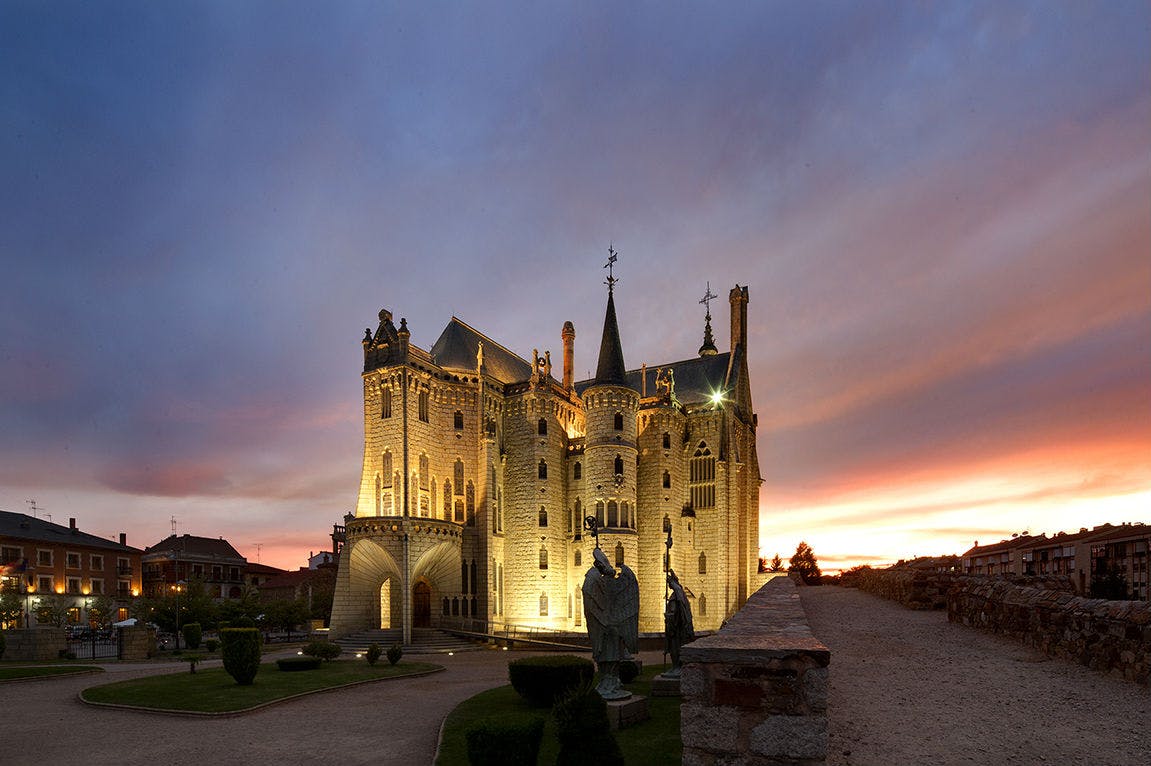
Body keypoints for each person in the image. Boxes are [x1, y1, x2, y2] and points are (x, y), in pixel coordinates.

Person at [582, 547, 639, 699]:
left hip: (611, 628)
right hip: (606, 628)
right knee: (607, 656)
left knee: (612, 657)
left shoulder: (606, 583)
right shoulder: (595, 580)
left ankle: (611, 683)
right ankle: (607, 683)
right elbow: (591, 600)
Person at [663, 569, 695, 677]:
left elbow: (674, 611)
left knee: (675, 648)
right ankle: (675, 667)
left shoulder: (676, 596)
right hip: (677, 629)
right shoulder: (679, 594)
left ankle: (677, 667)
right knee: (674, 648)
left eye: (669, 583)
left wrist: (668, 616)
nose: (668, 585)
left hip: (676, 629)